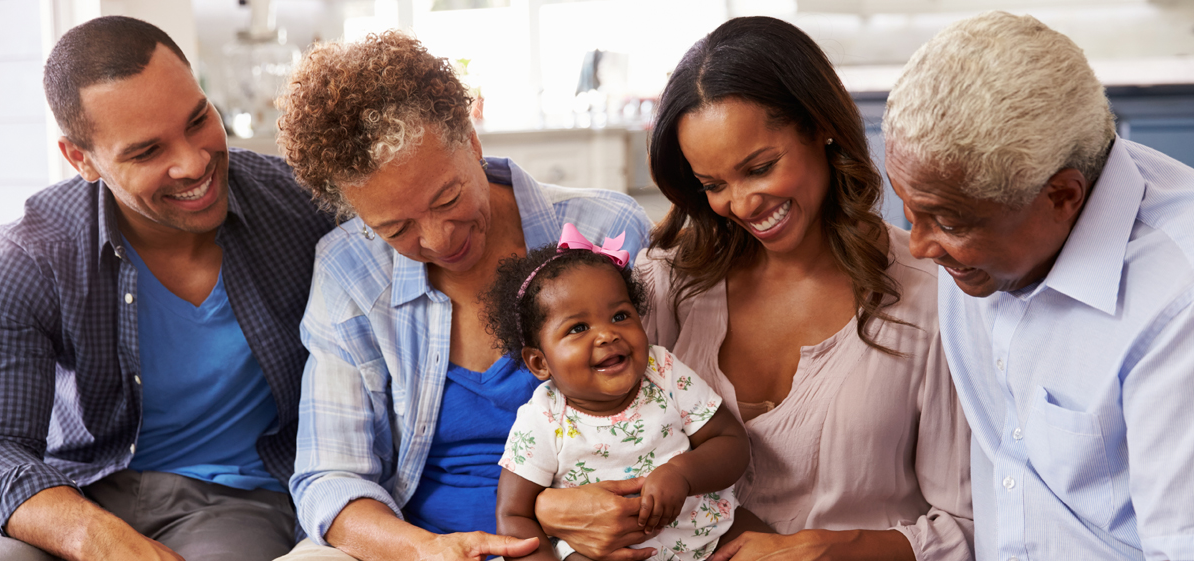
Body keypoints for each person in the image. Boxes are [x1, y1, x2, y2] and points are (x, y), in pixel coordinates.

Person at [530, 16, 974, 561]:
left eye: (760, 168)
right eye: (714, 185)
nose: (740, 205)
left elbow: (969, 526)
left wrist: (831, 550)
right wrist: (550, 506)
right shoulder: (666, 280)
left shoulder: (931, 296)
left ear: (819, 125)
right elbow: (560, 425)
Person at [272, 32, 652, 561]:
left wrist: (550, 514)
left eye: (448, 197)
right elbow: (330, 477)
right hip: (421, 540)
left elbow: (681, 410)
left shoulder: (608, 229)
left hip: (592, 534)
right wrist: (425, 550)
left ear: (472, 141)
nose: (439, 240)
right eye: (396, 228)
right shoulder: (349, 269)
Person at [0, 15, 335, 561]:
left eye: (199, 120)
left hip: (234, 503)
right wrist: (90, 536)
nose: (195, 163)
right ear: (81, 159)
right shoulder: (29, 256)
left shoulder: (301, 207)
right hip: (79, 491)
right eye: (147, 152)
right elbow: (0, 445)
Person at [882, 11, 1194, 561]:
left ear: (1063, 197)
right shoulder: (980, 233)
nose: (920, 247)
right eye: (909, 211)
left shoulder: (1176, 299)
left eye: (949, 223)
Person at [485, 230, 757, 561]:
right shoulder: (543, 419)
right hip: (605, 553)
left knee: (768, 542)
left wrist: (683, 474)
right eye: (578, 328)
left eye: (619, 316)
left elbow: (730, 441)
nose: (606, 334)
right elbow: (514, 515)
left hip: (707, 531)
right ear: (540, 362)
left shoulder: (663, 371)